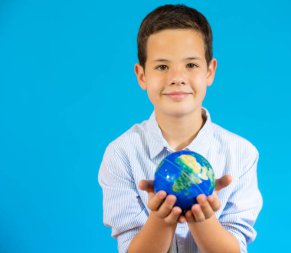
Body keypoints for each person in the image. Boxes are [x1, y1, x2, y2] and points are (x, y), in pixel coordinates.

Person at [98, 4, 262, 253]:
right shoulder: (121, 154)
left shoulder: (241, 154)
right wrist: (162, 219)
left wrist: (204, 220)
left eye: (191, 65)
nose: (177, 77)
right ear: (142, 75)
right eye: (162, 67)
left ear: (210, 71)